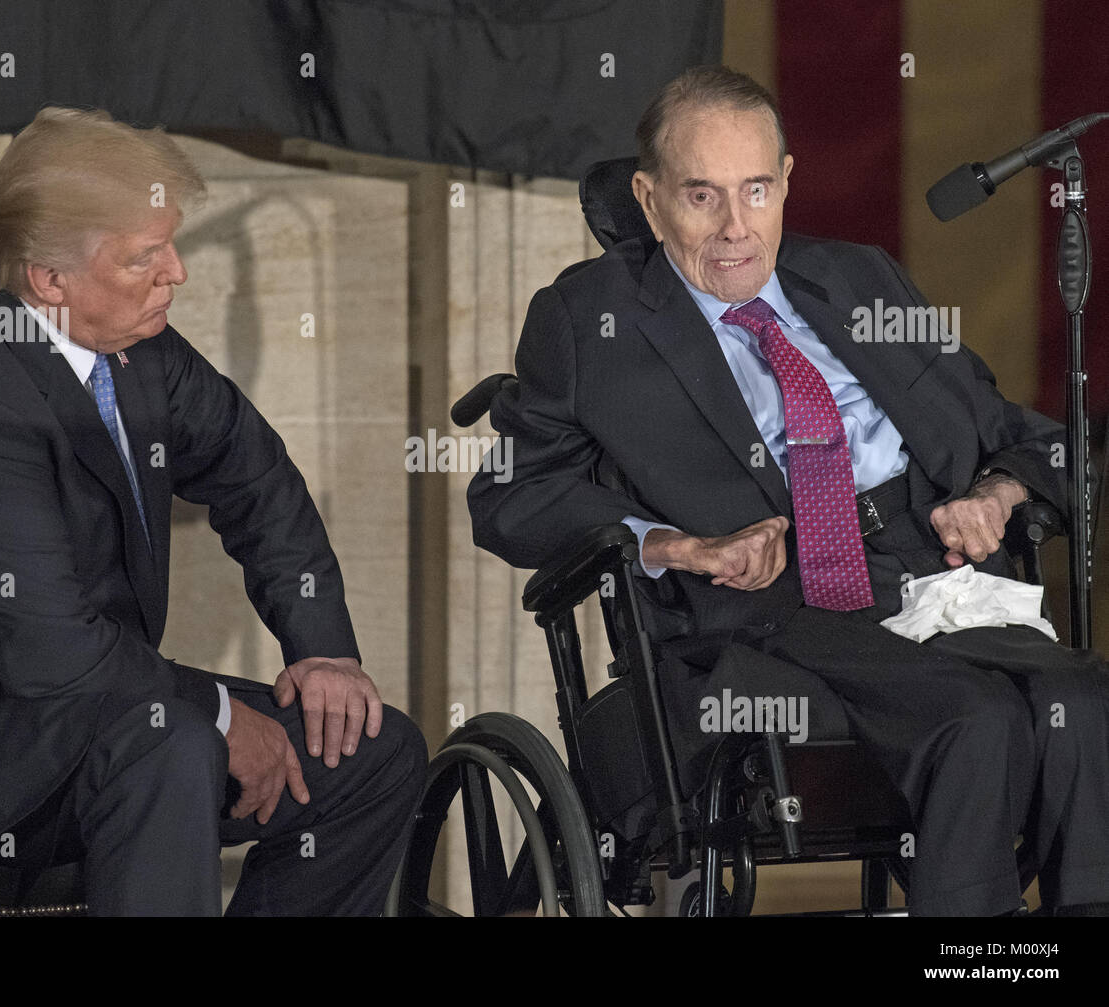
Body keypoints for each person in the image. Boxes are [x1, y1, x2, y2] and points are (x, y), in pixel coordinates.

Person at [469, 65, 1109, 916]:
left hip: (929, 580)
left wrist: (994, 492)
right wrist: (674, 545)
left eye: (757, 190)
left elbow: (1024, 436)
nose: (737, 228)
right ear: (649, 199)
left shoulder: (860, 280)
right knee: (976, 718)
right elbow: (509, 493)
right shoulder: (589, 320)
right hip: (769, 607)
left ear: (787, 181)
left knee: (1084, 700)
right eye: (702, 197)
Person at [0, 107, 426, 916]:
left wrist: (324, 654)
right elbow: (53, 652)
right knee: (166, 740)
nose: (178, 271)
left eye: (169, 243)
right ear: (49, 278)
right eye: (144, 257)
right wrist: (217, 713)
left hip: (80, 696)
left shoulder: (125, 341)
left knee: (371, 750)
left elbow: (254, 473)